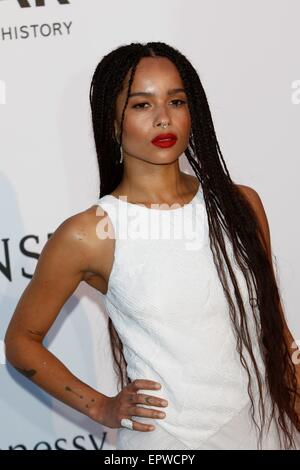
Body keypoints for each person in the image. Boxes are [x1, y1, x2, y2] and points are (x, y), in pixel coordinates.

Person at [5, 41, 300, 450]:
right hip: (167, 444)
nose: (164, 118)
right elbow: (21, 341)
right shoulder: (89, 233)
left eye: (176, 101)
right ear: (112, 122)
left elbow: (278, 335)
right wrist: (99, 407)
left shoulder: (242, 204)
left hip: (269, 431)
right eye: (142, 105)